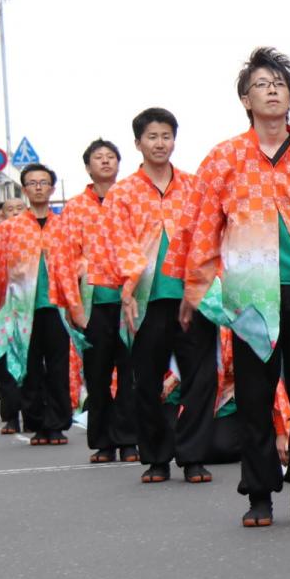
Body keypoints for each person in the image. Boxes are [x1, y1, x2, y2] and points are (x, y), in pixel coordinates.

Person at [164, 46, 290, 527]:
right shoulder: (224, 158)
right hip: (248, 296)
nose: (272, 91)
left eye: (280, 84)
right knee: (254, 397)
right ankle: (259, 494)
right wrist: (195, 288)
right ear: (245, 99)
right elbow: (201, 227)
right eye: (262, 84)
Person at [99, 108, 218, 485]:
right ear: (138, 143)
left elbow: (209, 234)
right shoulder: (122, 193)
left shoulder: (194, 186)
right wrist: (128, 288)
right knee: (146, 380)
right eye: (152, 136)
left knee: (201, 377)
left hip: (192, 296)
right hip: (146, 299)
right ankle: (156, 457)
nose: (160, 143)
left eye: (166, 136)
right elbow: (117, 242)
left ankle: (194, 456)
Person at [49, 139, 138, 464]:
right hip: (92, 303)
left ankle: (129, 439)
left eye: (110, 157)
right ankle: (103, 441)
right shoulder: (74, 208)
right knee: (97, 373)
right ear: (88, 167)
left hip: (130, 298)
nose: (105, 161)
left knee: (130, 372)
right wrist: (71, 303)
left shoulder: (131, 198)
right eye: (98, 158)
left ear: (119, 163)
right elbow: (62, 257)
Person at [0, 164, 72, 444]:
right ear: (25, 190)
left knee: (58, 368)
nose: (38, 187)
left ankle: (56, 424)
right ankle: (36, 423)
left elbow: (80, 262)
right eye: (32, 183)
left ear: (52, 188)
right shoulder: (10, 229)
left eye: (43, 182)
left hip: (58, 308)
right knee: (29, 368)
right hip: (20, 310)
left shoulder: (65, 226)